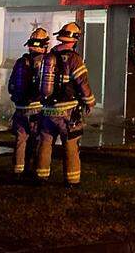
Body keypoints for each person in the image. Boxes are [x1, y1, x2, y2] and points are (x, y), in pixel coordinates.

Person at [35, 22, 96, 186]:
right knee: (70, 144)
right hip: (67, 110)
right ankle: (72, 180)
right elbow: (83, 83)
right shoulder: (74, 59)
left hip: (48, 109)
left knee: (45, 142)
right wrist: (90, 102)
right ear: (75, 39)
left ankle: (41, 176)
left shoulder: (49, 56)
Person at [9, 27, 49, 176]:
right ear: (44, 45)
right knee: (36, 139)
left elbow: (11, 85)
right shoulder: (46, 63)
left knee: (21, 139)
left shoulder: (20, 62)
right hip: (37, 108)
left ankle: (18, 169)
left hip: (20, 108)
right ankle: (32, 168)